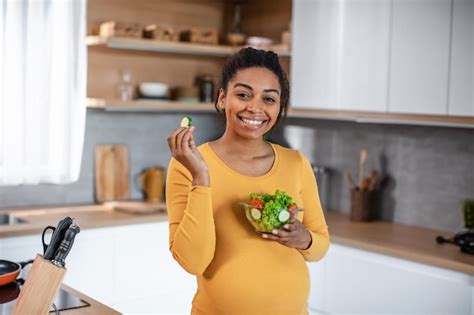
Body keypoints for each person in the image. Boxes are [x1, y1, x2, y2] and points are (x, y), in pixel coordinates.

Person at [166, 47, 330, 315]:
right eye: (243, 95)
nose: (255, 107)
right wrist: (201, 178)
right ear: (222, 98)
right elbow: (193, 261)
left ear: (279, 107)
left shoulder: (296, 163)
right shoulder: (188, 164)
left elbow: (320, 246)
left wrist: (303, 238)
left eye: (269, 99)